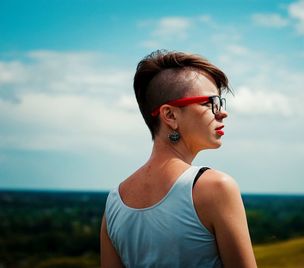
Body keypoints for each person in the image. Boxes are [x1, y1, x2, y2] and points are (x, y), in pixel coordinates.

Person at [100, 50, 257, 268]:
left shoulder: (114, 203)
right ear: (170, 116)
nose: (222, 113)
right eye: (209, 103)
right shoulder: (216, 188)